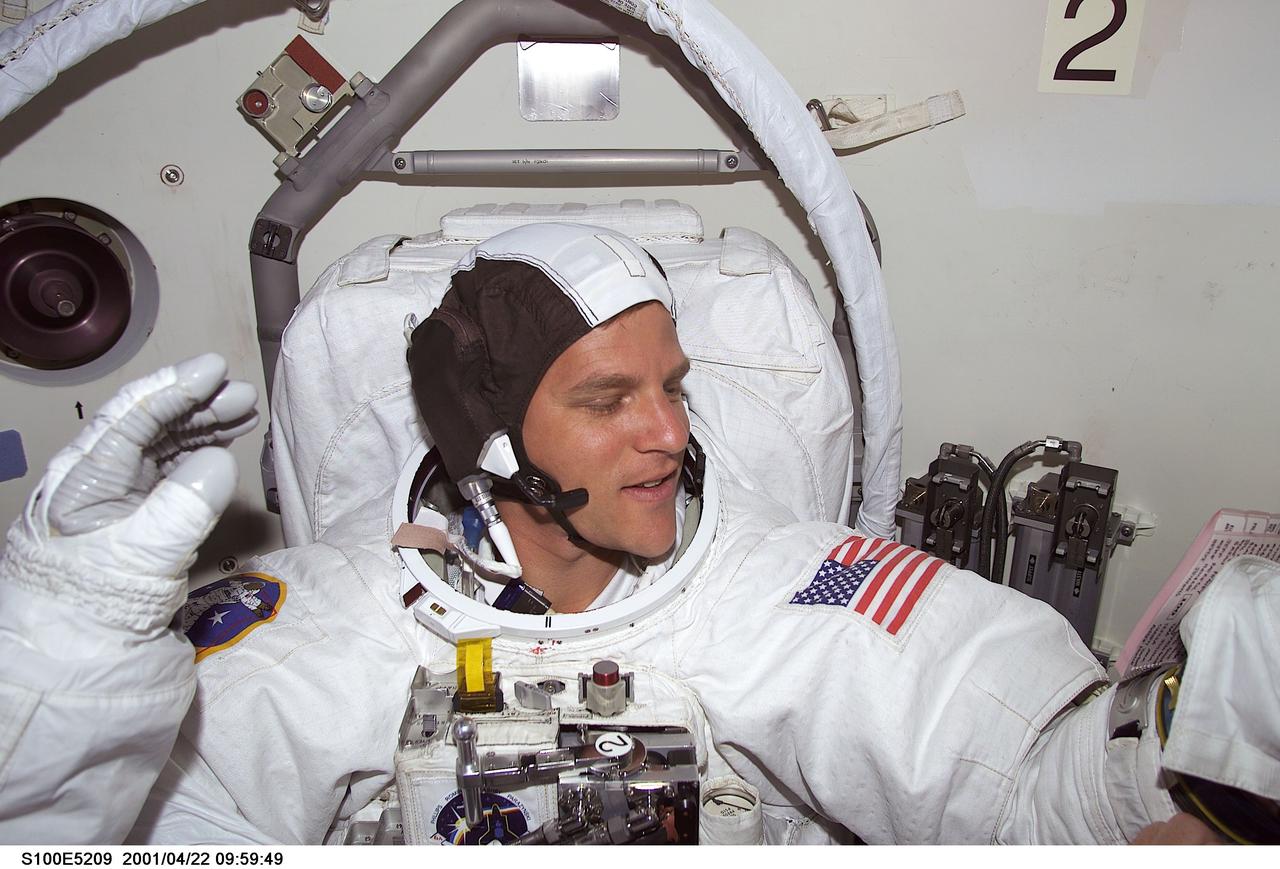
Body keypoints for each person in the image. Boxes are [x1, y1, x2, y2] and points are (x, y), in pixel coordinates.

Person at [0, 224, 1271, 845]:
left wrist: (1211, 739)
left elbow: (1036, 794)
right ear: (493, 443)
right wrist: (58, 677)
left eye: (672, 385)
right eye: (608, 400)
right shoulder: (319, 627)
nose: (668, 432)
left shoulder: (801, 594)